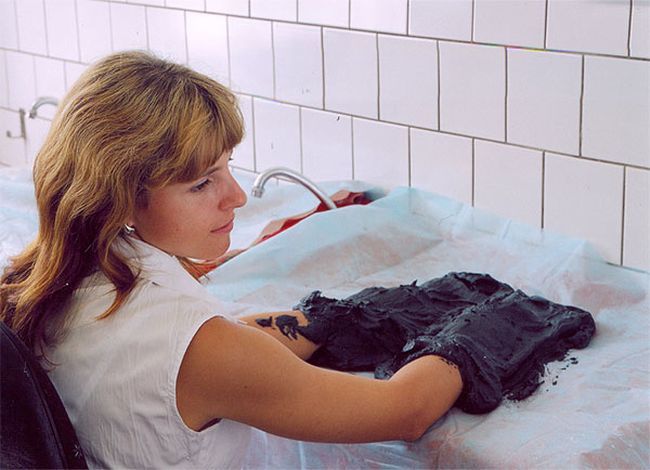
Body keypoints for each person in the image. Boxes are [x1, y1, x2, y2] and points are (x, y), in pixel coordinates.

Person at [0, 51, 462, 469]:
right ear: (120, 198)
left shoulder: (37, 281)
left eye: (227, 166)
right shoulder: (200, 348)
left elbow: (222, 350)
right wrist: (473, 337)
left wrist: (325, 321)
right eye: (202, 183)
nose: (237, 196)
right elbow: (407, 411)